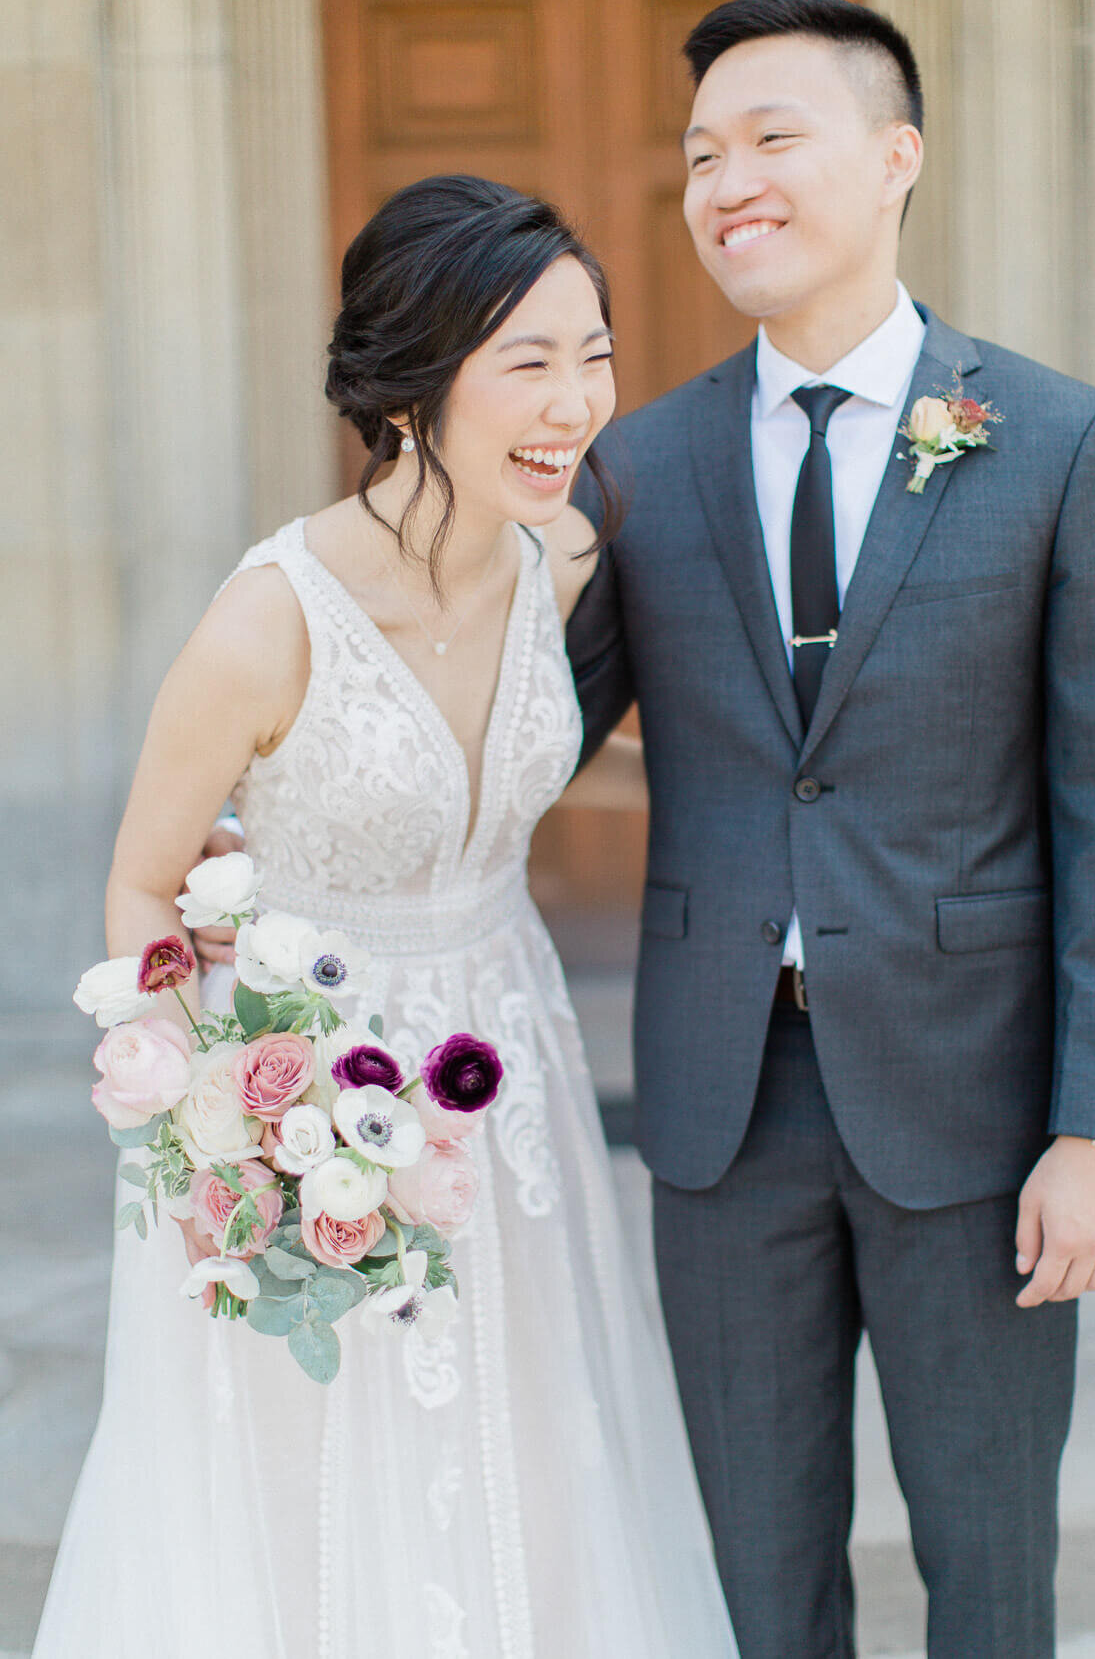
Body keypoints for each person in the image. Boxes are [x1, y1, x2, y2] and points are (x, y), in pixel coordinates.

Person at [559, 0, 1095, 1659]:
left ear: (895, 156)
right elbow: (527, 742)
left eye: (772, 138)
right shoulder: (635, 465)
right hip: (718, 1111)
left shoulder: (1059, 443)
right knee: (762, 1586)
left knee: (992, 1580)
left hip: (977, 1115)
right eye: (701, 155)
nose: (725, 182)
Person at [34, 176, 739, 1659]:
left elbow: (545, 759)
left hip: (510, 1069)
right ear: (417, 384)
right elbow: (142, 879)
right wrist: (211, 1131)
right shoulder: (268, 619)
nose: (577, 401)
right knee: (321, 1474)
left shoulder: (559, 556)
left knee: (531, 1443)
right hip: (310, 1104)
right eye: (527, 361)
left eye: (593, 353)